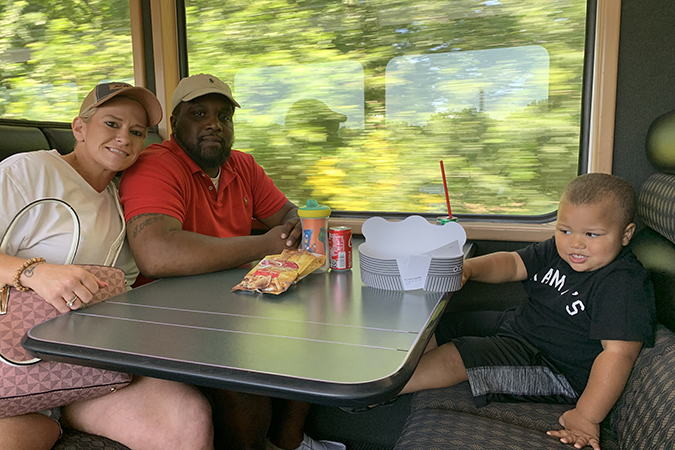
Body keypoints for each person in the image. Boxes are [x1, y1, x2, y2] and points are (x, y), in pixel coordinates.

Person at [118, 74, 345, 450]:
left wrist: (295, 225)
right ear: (174, 124)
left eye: (224, 116)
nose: (214, 124)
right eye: (199, 114)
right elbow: (157, 254)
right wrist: (264, 245)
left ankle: (289, 441)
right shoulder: (155, 166)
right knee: (246, 384)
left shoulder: (242, 166)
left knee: (315, 327)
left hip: (233, 301)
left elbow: (286, 214)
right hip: (168, 313)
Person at [0, 82, 214, 450]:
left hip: (87, 371)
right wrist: (34, 273)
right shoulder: (28, 172)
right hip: (11, 362)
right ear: (79, 128)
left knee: (186, 417)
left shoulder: (121, 202)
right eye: (112, 124)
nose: (124, 138)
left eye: (137, 132)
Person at [398, 173, 655, 450]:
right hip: (521, 329)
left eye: (591, 234)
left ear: (626, 234)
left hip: (553, 368)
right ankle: (394, 371)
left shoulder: (623, 282)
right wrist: (468, 268)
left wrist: (585, 416)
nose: (575, 243)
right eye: (565, 230)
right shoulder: (559, 251)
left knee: (459, 355)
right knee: (447, 324)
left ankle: (383, 389)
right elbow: (513, 263)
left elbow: (618, 354)